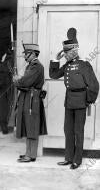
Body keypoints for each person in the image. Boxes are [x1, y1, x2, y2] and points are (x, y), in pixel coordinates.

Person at [50, 39, 99, 169]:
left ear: (74, 51)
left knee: (78, 132)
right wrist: (56, 59)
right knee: (68, 131)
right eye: (64, 52)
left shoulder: (84, 65)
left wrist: (88, 100)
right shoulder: (67, 65)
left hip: (81, 102)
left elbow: (94, 85)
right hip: (69, 102)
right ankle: (68, 158)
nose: (65, 54)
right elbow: (54, 75)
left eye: (67, 52)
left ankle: (77, 160)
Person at [13, 44, 47, 162]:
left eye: (26, 54)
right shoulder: (32, 66)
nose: (24, 56)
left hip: (32, 98)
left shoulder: (36, 66)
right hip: (29, 97)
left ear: (33, 54)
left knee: (32, 125)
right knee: (29, 125)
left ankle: (31, 155)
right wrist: (20, 80)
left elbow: (25, 82)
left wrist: (17, 80)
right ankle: (29, 153)